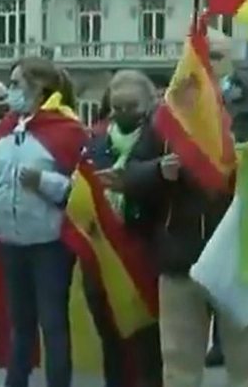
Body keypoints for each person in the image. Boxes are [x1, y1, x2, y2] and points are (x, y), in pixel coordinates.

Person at [99, 76, 248, 387]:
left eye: (215, 57)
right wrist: (158, 170)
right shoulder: (164, 124)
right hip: (180, 259)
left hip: (240, 260)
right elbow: (130, 174)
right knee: (178, 365)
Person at [0, 57, 88, 387]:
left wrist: (44, 182)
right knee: (18, 323)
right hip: (11, 242)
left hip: (50, 244)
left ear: (39, 88)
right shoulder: (6, 128)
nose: (10, 92)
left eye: (15, 84)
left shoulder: (68, 130)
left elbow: (80, 191)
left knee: (52, 323)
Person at [85, 69, 162, 387]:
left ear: (149, 104)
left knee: (147, 336)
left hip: (145, 245)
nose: (124, 113)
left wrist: (134, 183)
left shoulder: (161, 139)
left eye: (132, 106)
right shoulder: (96, 141)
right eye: (117, 107)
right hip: (103, 249)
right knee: (110, 330)